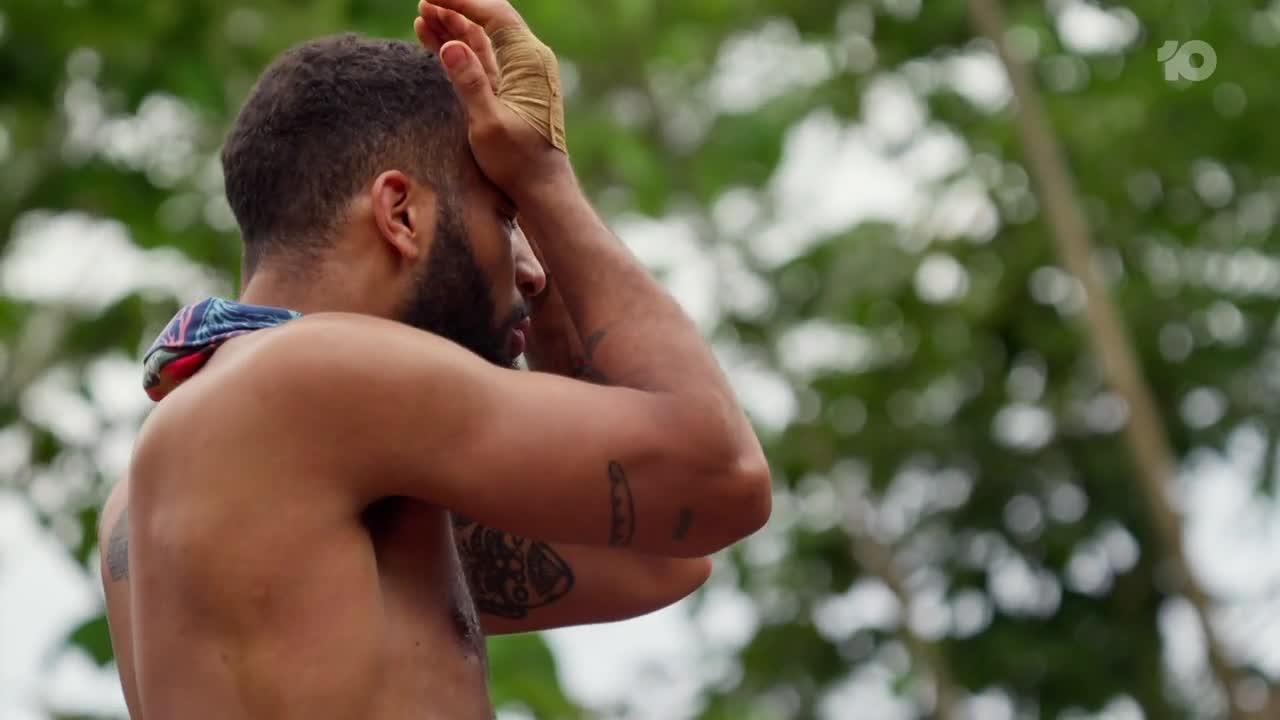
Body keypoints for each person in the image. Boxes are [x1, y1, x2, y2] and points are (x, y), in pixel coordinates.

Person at [97, 0, 771, 717]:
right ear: (401, 213)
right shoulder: (318, 374)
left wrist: (530, 212)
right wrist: (543, 177)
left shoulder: (221, 462)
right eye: (504, 217)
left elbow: (662, 550)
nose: (532, 268)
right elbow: (719, 476)